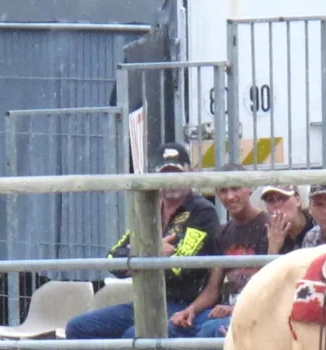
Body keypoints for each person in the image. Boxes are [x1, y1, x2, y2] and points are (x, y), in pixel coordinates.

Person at [64, 142, 220, 340]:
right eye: (164, 174)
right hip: (145, 301)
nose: (170, 180)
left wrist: (138, 259)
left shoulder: (203, 211)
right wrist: (151, 254)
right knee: (77, 328)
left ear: (190, 173)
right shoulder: (148, 210)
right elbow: (113, 258)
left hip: (183, 305)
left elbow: (179, 269)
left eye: (176, 173)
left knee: (133, 337)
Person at [172, 164, 271, 339]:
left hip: (255, 312)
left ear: (250, 188)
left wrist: (235, 309)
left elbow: (269, 286)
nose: (230, 196)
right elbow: (213, 288)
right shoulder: (222, 232)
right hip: (223, 311)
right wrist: (190, 310)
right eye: (223, 191)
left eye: (236, 188)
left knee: (209, 332)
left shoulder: (269, 226)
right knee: (172, 329)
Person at [260, 184, 315, 254]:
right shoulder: (269, 235)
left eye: (282, 198)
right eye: (270, 200)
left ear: (298, 200)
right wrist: (273, 248)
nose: (277, 205)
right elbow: (266, 265)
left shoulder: (315, 226)